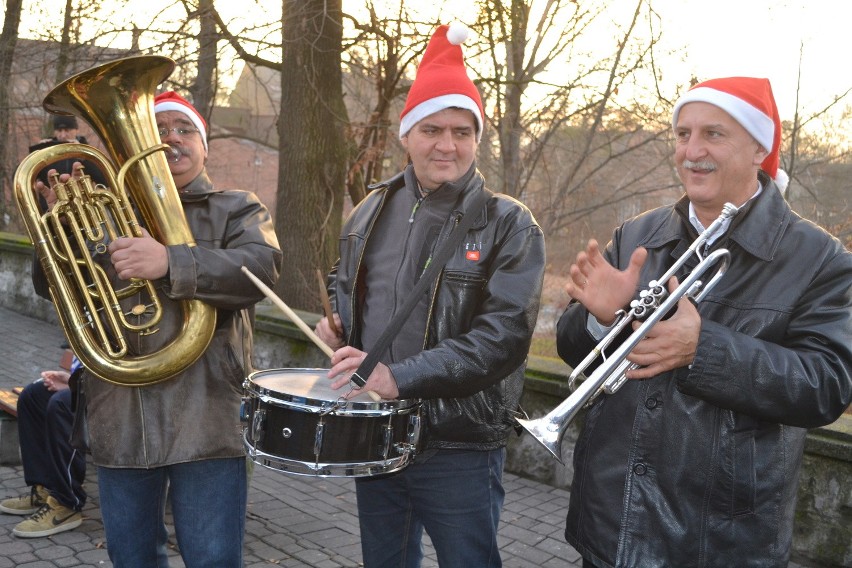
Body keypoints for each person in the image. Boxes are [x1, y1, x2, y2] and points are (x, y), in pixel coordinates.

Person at [554, 77, 852, 567]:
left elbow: (827, 386)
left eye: (714, 134)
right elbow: (573, 352)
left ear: (759, 146)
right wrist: (598, 317)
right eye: (682, 134)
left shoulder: (819, 258)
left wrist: (703, 350)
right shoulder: (635, 234)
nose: (692, 151)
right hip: (613, 521)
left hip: (717, 540)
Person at [314, 22, 546, 568]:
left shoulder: (509, 223)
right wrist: (340, 323)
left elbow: (504, 337)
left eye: (462, 131)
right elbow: (341, 278)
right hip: (375, 426)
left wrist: (400, 377)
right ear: (407, 134)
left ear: (476, 138)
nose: (448, 145)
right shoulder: (370, 208)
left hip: (457, 441)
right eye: (433, 129)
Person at [33, 91, 283, 566]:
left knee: (212, 559)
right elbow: (59, 287)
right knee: (131, 559)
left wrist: (170, 261)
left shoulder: (237, 208)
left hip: (207, 415)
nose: (171, 139)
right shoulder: (102, 211)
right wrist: (54, 227)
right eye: (159, 129)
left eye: (183, 129)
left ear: (204, 145)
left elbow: (263, 271)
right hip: (121, 413)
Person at [0, 354, 86, 538]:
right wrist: (74, 381)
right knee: (32, 395)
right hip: (94, 385)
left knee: (61, 404)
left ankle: (67, 502)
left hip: (121, 395)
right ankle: (47, 488)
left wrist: (80, 386)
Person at [28, 114, 107, 187]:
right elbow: (27, 177)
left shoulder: (88, 150)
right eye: (59, 131)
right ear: (54, 132)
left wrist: (83, 156)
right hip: (50, 201)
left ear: (76, 130)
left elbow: (103, 180)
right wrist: (37, 153)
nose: (63, 135)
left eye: (67, 130)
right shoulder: (47, 149)